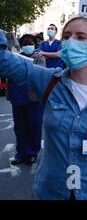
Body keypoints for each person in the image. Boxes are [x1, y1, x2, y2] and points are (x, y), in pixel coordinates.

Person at [0, 17, 87, 200]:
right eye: (66, 36)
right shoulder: (48, 81)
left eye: (80, 37)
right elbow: (3, 61)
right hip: (51, 192)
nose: (71, 41)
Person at [7, 34, 46, 165]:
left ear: (35, 45)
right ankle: (20, 153)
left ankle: (31, 153)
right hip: (17, 96)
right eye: (25, 44)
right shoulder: (13, 56)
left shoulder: (39, 57)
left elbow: (40, 72)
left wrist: (23, 64)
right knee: (19, 128)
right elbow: (8, 72)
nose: (27, 46)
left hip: (33, 98)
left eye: (30, 44)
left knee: (34, 126)